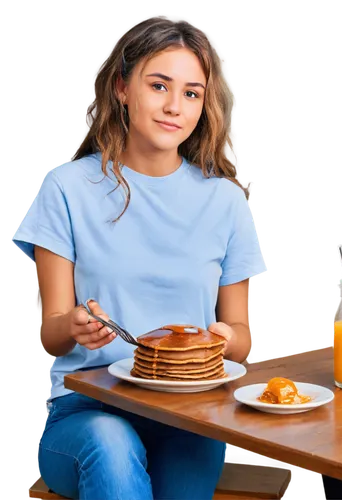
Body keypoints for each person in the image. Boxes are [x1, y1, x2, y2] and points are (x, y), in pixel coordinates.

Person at [10, 14, 267, 500]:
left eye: (191, 93)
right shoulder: (68, 187)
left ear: (204, 106)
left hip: (189, 414)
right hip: (86, 414)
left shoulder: (227, 201)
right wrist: (77, 325)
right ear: (123, 88)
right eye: (159, 85)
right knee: (111, 442)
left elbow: (241, 340)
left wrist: (222, 337)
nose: (174, 106)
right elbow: (52, 336)